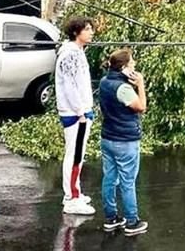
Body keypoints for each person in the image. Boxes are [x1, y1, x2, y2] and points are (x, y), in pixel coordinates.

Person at [99, 49, 148, 236]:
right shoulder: (123, 89)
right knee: (128, 181)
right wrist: (140, 84)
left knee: (109, 178)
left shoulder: (104, 82)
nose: (134, 64)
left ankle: (111, 218)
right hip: (125, 140)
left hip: (108, 137)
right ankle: (132, 222)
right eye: (132, 62)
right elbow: (141, 107)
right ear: (124, 67)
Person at [56, 17, 96, 216]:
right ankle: (71, 199)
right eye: (87, 29)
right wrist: (80, 112)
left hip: (81, 110)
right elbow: (69, 85)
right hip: (75, 113)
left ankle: (75, 192)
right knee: (74, 156)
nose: (91, 32)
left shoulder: (78, 52)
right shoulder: (69, 54)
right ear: (75, 32)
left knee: (78, 155)